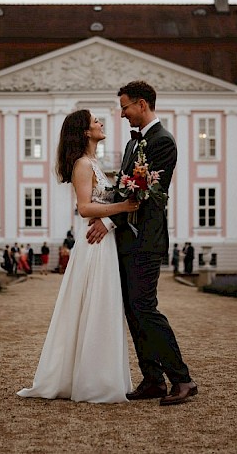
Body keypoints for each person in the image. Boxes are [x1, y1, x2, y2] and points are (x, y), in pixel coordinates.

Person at [87, 80, 198, 406]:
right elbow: (125, 190)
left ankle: (183, 379)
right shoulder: (134, 145)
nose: (121, 114)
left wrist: (107, 218)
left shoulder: (163, 142)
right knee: (134, 312)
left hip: (146, 240)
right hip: (127, 240)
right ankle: (153, 380)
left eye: (124, 107)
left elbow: (143, 194)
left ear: (142, 104)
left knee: (146, 308)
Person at [17, 109, 140, 403]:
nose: (100, 124)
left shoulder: (93, 163)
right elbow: (84, 208)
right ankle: (94, 381)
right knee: (96, 305)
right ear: (86, 132)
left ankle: (96, 376)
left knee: (101, 306)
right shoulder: (83, 165)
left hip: (102, 242)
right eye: (95, 121)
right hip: (94, 245)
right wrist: (123, 208)